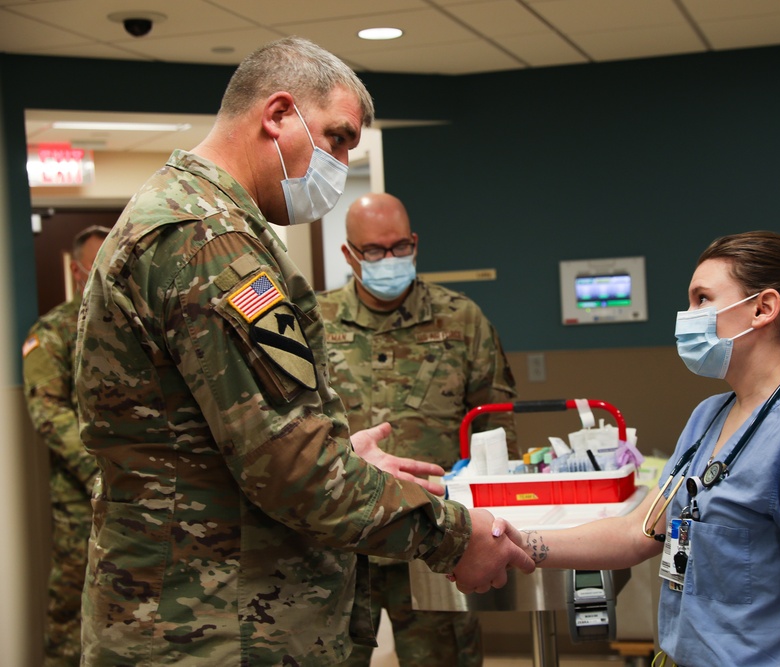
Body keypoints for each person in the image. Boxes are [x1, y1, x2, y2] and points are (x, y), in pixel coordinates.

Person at [73, 36, 532, 667]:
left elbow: (226, 440)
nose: (341, 162)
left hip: (209, 613)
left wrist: (342, 455)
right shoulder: (208, 240)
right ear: (278, 114)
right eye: (337, 138)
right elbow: (293, 471)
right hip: (208, 628)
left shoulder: (196, 219)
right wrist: (452, 537)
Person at [493, 231, 780, 667]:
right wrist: (517, 542)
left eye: (702, 299)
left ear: (763, 308)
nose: (687, 315)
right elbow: (639, 531)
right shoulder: (710, 416)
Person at [316, 192, 519, 667]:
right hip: (340, 545)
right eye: (374, 251)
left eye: (400, 247)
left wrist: (488, 523)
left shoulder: (461, 319)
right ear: (348, 254)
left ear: (414, 243)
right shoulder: (316, 325)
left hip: (435, 540)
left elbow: (497, 424)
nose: (390, 259)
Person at [22, 225, 111, 666]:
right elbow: (48, 412)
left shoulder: (137, 325)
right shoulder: (53, 332)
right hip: (82, 501)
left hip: (141, 502)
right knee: (71, 610)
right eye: (97, 264)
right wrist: (100, 473)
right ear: (78, 272)